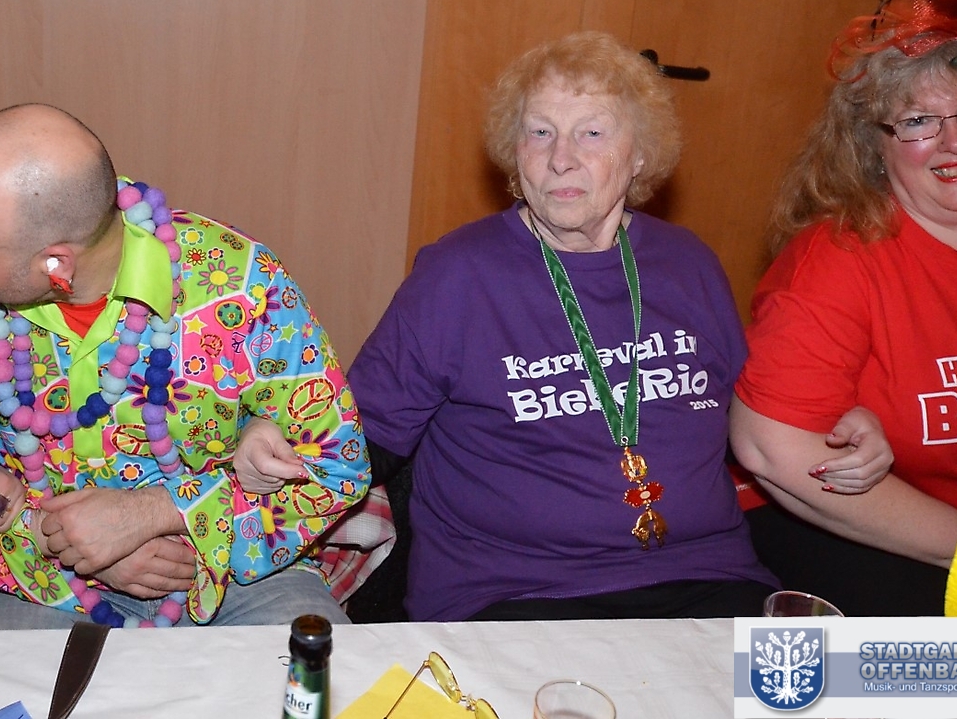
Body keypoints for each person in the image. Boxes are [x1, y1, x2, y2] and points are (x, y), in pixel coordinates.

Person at [342, 31, 887, 622]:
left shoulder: (687, 263)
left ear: (641, 154)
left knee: (839, 675)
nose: (561, 158)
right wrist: (280, 457)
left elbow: (747, 412)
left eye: (592, 133)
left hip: (705, 576)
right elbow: (360, 437)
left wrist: (835, 423)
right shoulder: (457, 276)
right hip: (518, 590)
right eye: (540, 132)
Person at [0, 104, 369, 628]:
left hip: (241, 575)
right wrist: (38, 530)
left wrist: (152, 513)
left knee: (322, 674)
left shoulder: (239, 283)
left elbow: (337, 471)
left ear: (57, 264)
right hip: (48, 583)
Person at [731, 0, 957, 615]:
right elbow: (772, 448)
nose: (954, 141)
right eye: (918, 120)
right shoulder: (840, 257)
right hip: (880, 531)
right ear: (875, 146)